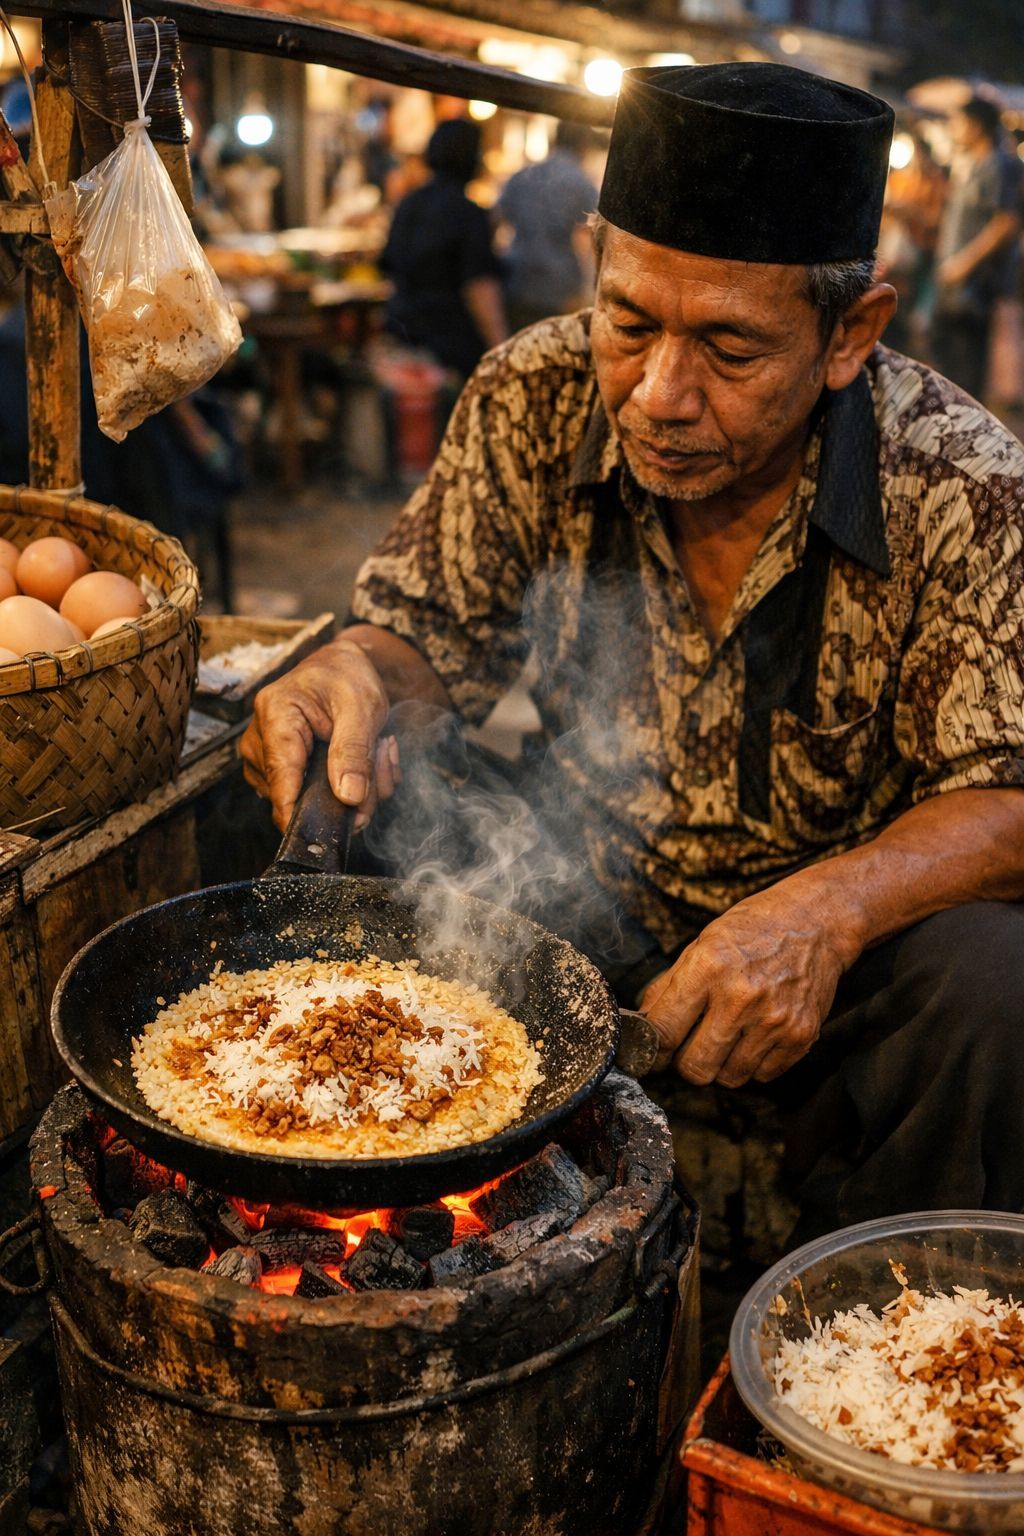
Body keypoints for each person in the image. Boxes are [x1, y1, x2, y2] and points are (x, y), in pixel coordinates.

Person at [241, 64, 1024, 1236]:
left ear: (850, 332)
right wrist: (354, 672)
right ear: (596, 261)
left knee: (992, 978)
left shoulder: (962, 482)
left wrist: (822, 915)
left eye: (729, 348)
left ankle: (871, 1305)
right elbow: (423, 638)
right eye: (630, 323)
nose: (659, 394)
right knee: (372, 791)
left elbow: (1007, 799)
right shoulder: (530, 392)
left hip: (841, 976)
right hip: (577, 904)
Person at [380, 117, 507, 381]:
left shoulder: (409, 204)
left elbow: (389, 266)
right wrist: (503, 351)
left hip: (403, 338)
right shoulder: (468, 213)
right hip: (451, 350)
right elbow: (479, 288)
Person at [929, 93, 1022, 401]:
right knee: (948, 359)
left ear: (976, 126)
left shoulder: (999, 165)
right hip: (955, 285)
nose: (953, 129)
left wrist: (963, 264)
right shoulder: (971, 164)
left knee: (966, 368)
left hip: (973, 287)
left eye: (958, 122)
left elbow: (1005, 223)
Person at [497, 119, 601, 334]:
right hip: (559, 286)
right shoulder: (580, 182)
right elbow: (598, 235)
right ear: (583, 144)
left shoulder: (523, 175)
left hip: (517, 277)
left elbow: (495, 219)